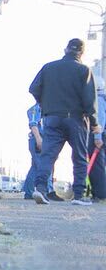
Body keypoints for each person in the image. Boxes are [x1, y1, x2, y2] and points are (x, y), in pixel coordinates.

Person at [28, 38, 102, 206]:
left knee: (48, 155)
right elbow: (89, 100)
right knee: (79, 157)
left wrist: (44, 104)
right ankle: (78, 195)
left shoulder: (48, 67)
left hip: (52, 117)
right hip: (76, 119)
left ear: (65, 49)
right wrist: (94, 122)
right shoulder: (84, 70)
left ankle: (40, 188)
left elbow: (33, 88)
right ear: (81, 53)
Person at [22, 103, 56, 200]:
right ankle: (48, 191)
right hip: (38, 140)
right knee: (44, 166)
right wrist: (38, 139)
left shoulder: (45, 108)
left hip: (42, 140)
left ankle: (29, 192)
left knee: (35, 168)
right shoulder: (36, 109)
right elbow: (33, 124)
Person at [88, 73, 106, 202]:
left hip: (97, 136)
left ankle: (99, 194)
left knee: (96, 166)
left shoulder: (98, 100)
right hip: (99, 135)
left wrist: (97, 137)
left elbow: (100, 119)